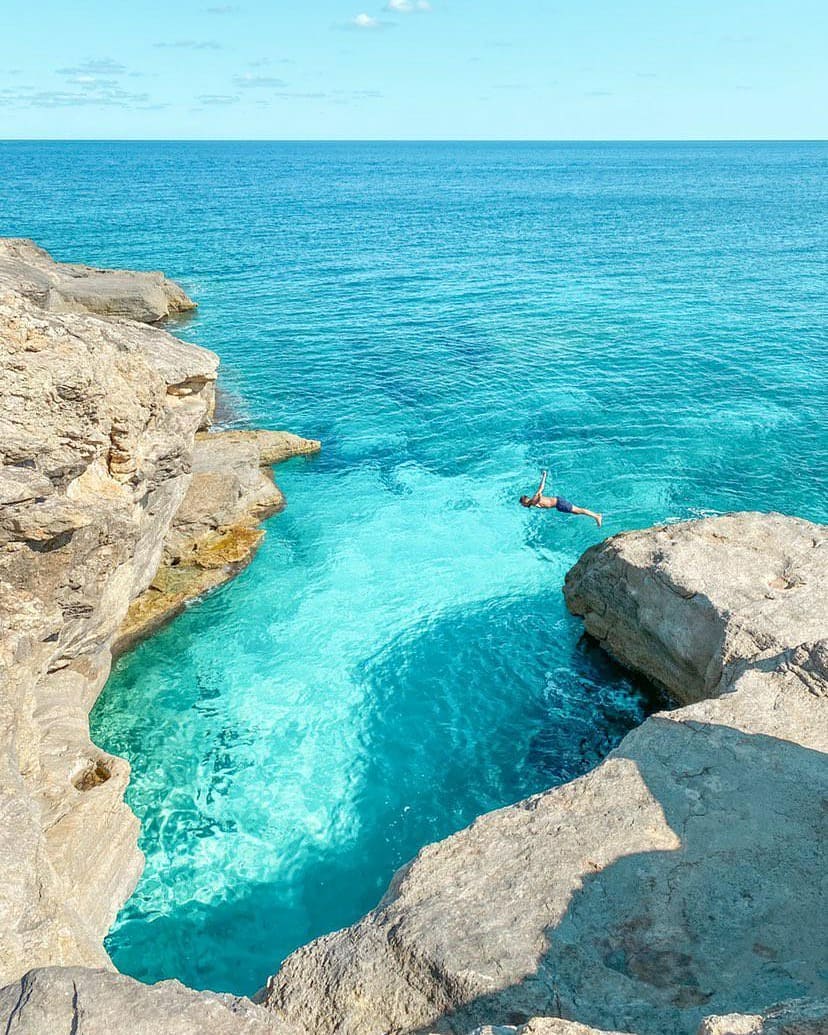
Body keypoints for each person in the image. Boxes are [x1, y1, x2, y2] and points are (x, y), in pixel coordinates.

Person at [519, 470, 602, 527]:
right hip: (559, 504)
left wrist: (539, 498)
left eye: (522, 504)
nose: (523, 506)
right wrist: (544, 476)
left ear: (525, 502)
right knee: (577, 512)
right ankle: (596, 515)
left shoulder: (533, 501)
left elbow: (539, 495)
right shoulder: (534, 500)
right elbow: (541, 487)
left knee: (580, 510)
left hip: (559, 504)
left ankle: (596, 516)